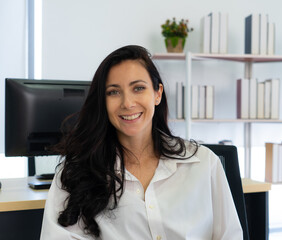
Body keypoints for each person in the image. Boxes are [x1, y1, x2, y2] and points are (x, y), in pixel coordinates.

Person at [40, 45, 243, 240]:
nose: (127, 103)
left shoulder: (204, 163)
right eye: (113, 92)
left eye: (138, 88)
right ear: (102, 101)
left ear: (157, 93)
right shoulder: (77, 172)